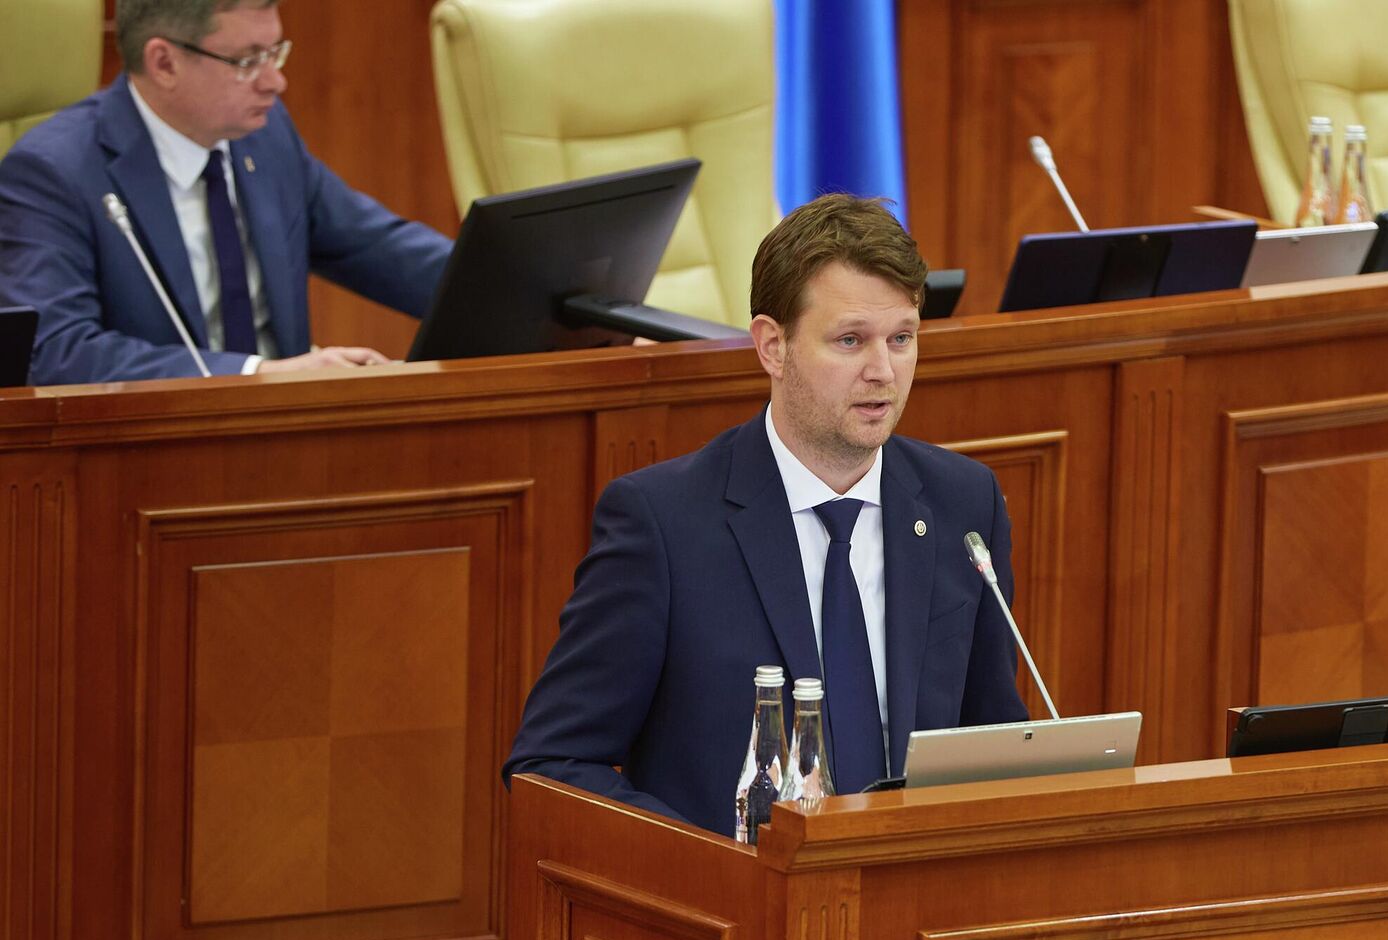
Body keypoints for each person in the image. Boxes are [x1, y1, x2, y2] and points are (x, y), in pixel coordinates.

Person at [504, 194, 1027, 836]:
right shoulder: (663, 524)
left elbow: (993, 738)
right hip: (734, 890)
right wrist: (716, 871)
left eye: (902, 339)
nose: (883, 371)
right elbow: (551, 767)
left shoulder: (963, 502)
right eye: (850, 340)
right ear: (773, 346)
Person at [0, 0, 451, 385]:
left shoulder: (263, 134)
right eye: (247, 61)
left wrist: (489, 282)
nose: (275, 81)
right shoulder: (54, 172)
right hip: (148, 447)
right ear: (164, 63)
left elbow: (376, 244)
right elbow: (56, 351)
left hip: (290, 437)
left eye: (275, 53)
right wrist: (258, 374)